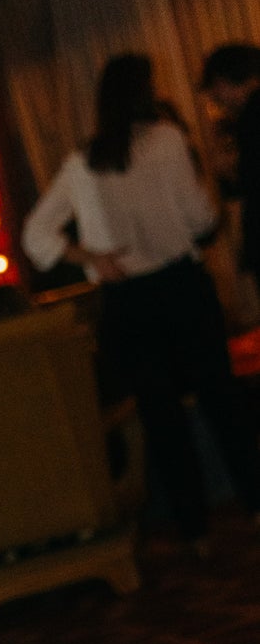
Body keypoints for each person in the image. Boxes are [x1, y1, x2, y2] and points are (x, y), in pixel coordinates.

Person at [22, 53, 260, 543]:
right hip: (181, 287)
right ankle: (255, 504)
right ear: (143, 93)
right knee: (222, 403)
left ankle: (194, 530)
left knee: (161, 417)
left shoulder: (82, 162)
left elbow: (36, 234)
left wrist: (88, 256)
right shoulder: (168, 141)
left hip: (127, 302)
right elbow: (199, 221)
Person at [200, 44, 260, 291]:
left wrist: (228, 169)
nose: (214, 98)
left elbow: (248, 182)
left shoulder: (251, 116)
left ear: (223, 82)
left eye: (213, 88)